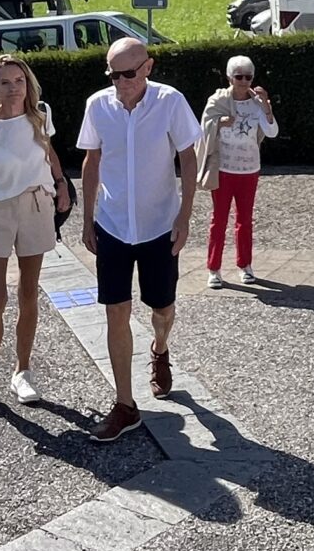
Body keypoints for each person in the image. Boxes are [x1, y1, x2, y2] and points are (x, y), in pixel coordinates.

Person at [77, 37, 199, 444]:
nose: (121, 82)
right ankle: (125, 405)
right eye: (113, 74)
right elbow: (91, 159)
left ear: (148, 66)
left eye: (128, 73)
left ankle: (160, 348)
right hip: (112, 224)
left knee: (162, 308)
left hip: (159, 225)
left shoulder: (170, 101)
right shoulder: (98, 106)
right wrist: (87, 218)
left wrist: (184, 216)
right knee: (115, 311)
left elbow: (188, 157)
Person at [0, 56, 72, 418]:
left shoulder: (40, 115)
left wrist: (61, 183)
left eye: (19, 81)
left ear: (28, 83)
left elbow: (49, 152)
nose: (13, 88)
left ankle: (22, 371)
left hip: (36, 205)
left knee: (29, 292)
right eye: (5, 82)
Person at [199, 55, 279, 289]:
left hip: (249, 169)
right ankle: (214, 268)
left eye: (248, 77)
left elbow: (272, 132)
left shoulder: (257, 103)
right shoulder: (218, 101)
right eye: (239, 76)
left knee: (245, 220)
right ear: (229, 77)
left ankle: (245, 265)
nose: (244, 81)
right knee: (219, 220)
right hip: (224, 169)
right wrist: (218, 123)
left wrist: (266, 107)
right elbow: (203, 128)